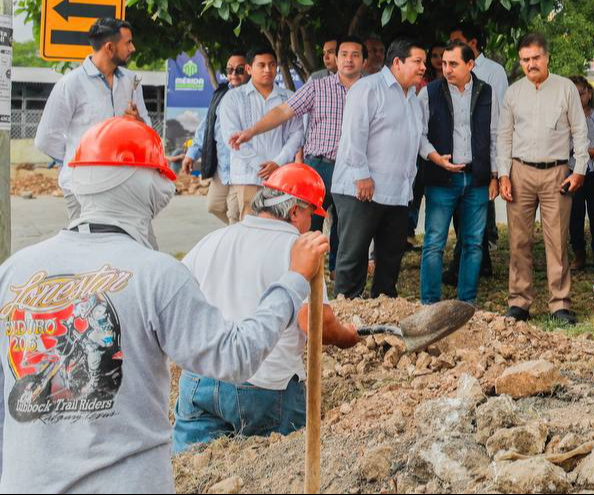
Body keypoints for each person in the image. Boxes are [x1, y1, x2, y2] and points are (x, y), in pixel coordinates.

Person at [0, 117, 327, 492]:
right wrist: (293, 279)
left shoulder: (13, 274)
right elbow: (234, 357)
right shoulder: (155, 274)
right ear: (149, 188)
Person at [173, 164, 359, 451]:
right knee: (279, 469)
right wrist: (348, 336)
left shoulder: (215, 239)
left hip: (201, 381)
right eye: (311, 214)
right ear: (295, 211)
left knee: (193, 469)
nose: (312, 223)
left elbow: (176, 297)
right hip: (266, 388)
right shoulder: (296, 249)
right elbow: (314, 322)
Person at [229, 37, 366, 265]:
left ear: (363, 60)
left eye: (355, 55)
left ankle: (338, 278)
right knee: (306, 225)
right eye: (344, 54)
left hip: (353, 169)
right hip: (318, 167)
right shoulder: (318, 87)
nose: (349, 60)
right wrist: (251, 132)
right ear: (335, 58)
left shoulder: (370, 90)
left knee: (347, 227)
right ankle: (304, 270)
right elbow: (283, 112)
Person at [496, 32, 590, 324]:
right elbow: (504, 136)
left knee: (556, 240)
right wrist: (503, 174)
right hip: (520, 171)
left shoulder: (565, 89)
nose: (530, 64)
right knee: (519, 240)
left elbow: (580, 130)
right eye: (525, 59)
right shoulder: (513, 92)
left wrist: (580, 169)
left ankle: (559, 304)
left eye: (536, 58)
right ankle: (519, 302)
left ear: (547, 57)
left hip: (557, 173)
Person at [331, 38, 430, 298]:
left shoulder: (412, 97)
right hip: (361, 189)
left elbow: (416, 138)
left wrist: (435, 157)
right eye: (418, 61)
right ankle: (346, 313)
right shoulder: (368, 88)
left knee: (390, 257)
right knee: (354, 255)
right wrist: (362, 175)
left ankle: (382, 311)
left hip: (397, 192)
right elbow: (354, 136)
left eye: (424, 62)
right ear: (397, 62)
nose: (423, 67)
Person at [34, 17, 148, 222]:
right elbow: (45, 138)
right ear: (109, 47)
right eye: (128, 42)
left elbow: (146, 128)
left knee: (139, 248)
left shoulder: (131, 82)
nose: (133, 48)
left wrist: (138, 121)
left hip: (122, 185)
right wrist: (78, 159)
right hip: (82, 190)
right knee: (88, 251)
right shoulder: (70, 84)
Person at [418, 40, 498, 305]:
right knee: (434, 243)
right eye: (444, 64)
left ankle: (467, 303)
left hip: (476, 179)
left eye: (454, 64)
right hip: (441, 179)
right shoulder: (429, 93)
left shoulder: (487, 92)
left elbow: (495, 136)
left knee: (474, 243)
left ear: (470, 64)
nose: (447, 69)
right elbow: (419, 135)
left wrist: (495, 175)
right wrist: (436, 159)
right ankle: (430, 304)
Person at [448, 23, 509, 272]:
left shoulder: (494, 72)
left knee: (481, 210)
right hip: (457, 152)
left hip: (482, 152)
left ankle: (479, 260)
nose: (451, 46)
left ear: (472, 44)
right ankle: (465, 260)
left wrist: (496, 166)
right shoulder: (450, 70)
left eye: (457, 40)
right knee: (460, 213)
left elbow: (501, 114)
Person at [219, 46, 303, 220]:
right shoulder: (233, 98)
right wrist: (262, 167)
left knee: (278, 228)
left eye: (272, 65)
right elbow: (233, 139)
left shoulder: (288, 98)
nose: (268, 70)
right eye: (262, 65)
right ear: (249, 68)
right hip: (247, 177)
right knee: (248, 231)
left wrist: (278, 163)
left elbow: (297, 134)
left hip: (281, 177)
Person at [183, 51, 248, 224]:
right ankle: (243, 234)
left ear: (248, 70)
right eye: (230, 70)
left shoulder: (252, 96)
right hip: (222, 167)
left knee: (234, 214)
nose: (234, 74)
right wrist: (192, 154)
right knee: (214, 205)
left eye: (239, 70)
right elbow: (207, 127)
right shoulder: (221, 94)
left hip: (242, 167)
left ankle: (238, 242)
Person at [569, 76, 594, 277]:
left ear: (589, 94)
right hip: (573, 171)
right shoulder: (565, 118)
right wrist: (585, 151)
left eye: (581, 93)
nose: (578, 97)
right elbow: (564, 145)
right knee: (575, 215)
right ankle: (578, 253)